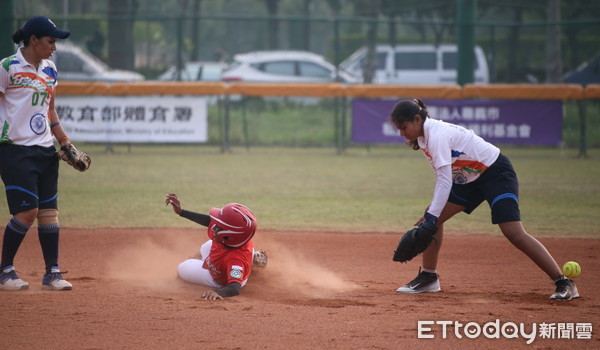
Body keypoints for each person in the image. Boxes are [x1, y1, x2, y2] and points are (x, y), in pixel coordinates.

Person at [390, 98, 579, 301]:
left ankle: (564, 282)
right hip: (468, 178)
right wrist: (431, 217)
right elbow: (445, 178)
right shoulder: (423, 138)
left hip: (495, 173)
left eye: (404, 127)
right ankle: (428, 277)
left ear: (417, 119)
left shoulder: (437, 135)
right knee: (432, 216)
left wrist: (431, 217)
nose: (401, 133)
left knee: (513, 232)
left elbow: (444, 182)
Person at [0, 16, 83, 291]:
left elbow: (51, 111)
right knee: (28, 211)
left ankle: (52, 273)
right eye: (50, 41)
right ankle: (5, 271)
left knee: (48, 212)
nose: (54, 47)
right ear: (33, 40)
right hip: (14, 149)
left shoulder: (50, 70)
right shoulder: (7, 67)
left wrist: (66, 143)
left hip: (45, 149)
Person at [165, 194, 268, 300]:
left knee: (183, 267)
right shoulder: (236, 237)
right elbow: (209, 220)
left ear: (229, 235)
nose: (214, 227)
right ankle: (251, 258)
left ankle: (247, 266)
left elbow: (234, 288)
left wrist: (218, 292)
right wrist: (181, 212)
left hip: (218, 278)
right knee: (206, 246)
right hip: (232, 252)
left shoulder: (235, 260)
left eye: (219, 227)